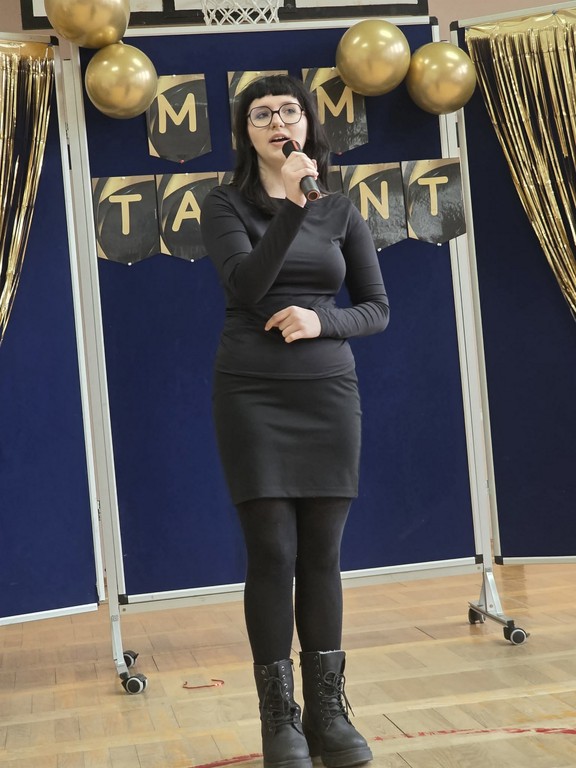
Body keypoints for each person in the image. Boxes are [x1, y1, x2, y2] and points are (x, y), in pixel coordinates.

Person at [200, 74, 389, 768]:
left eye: (289, 111)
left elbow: (376, 308)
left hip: (328, 393)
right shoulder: (223, 203)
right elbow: (246, 285)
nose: (278, 122)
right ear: (245, 133)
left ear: (308, 125)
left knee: (322, 556)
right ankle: (279, 720)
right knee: (274, 554)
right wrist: (287, 203)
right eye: (262, 114)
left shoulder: (340, 208)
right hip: (253, 392)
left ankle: (329, 714)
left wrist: (321, 320)